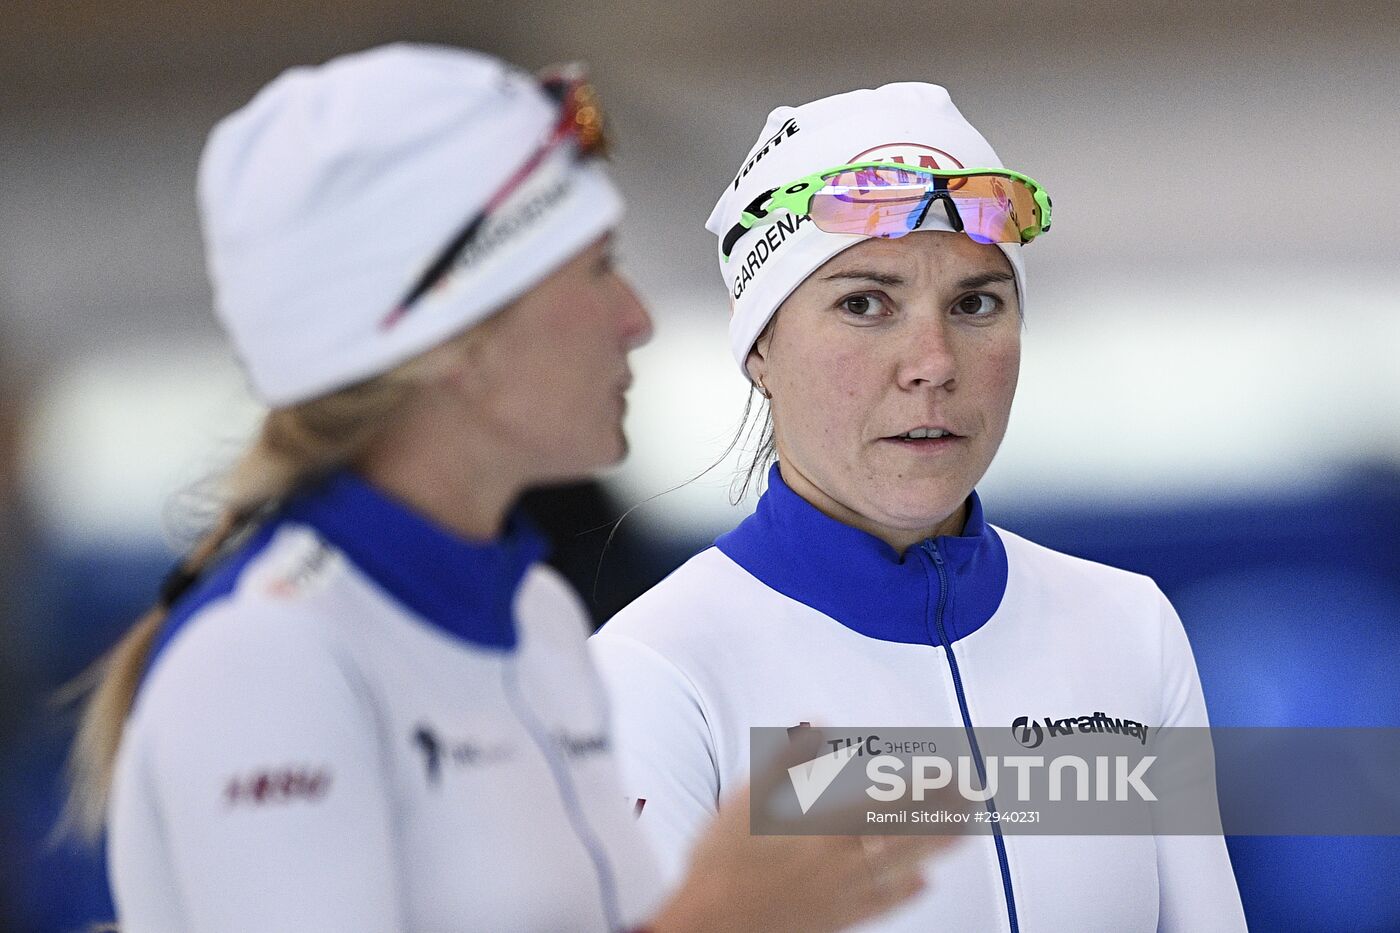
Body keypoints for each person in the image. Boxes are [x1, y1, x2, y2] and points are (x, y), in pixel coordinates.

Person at [63, 45, 943, 933]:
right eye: (598, 266)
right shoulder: (267, 659)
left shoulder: (537, 619)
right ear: (461, 339)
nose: (635, 318)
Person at [589, 82, 1249, 931]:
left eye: (975, 303)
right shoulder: (655, 672)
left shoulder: (1128, 626)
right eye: (865, 304)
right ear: (759, 346)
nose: (933, 362)